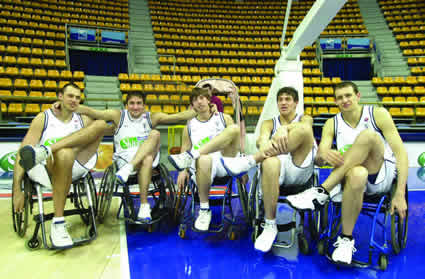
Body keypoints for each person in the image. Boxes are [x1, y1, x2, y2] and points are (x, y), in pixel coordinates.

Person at [285, 81, 408, 265]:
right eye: (340, 97)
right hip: (351, 179)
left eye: (348, 95)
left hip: (379, 176)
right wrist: (324, 154)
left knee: (369, 137)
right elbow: (319, 158)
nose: (345, 100)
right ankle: (346, 240)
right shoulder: (331, 123)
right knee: (358, 173)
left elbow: (401, 153)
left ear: (357, 96)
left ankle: (321, 191)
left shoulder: (378, 114)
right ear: (335, 101)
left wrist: (399, 192)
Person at [69, 90, 199, 222]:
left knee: (155, 134)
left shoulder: (152, 117)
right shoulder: (118, 116)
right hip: (125, 159)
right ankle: (144, 205)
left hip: (137, 163)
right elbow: (95, 113)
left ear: (144, 106)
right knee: (147, 159)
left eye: (139, 103)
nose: (135, 107)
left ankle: (131, 172)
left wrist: (200, 108)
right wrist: (72, 106)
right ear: (126, 105)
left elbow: (178, 117)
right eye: (132, 103)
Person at [13, 82, 112, 248]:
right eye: (70, 96)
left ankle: (47, 149)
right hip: (48, 170)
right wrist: (17, 189)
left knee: (100, 125)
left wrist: (85, 110)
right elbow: (23, 154)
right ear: (60, 96)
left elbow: (112, 124)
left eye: (78, 98)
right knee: (65, 154)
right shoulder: (43, 118)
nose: (74, 100)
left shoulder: (83, 119)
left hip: (74, 167)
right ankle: (58, 222)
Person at [220, 86, 317, 252]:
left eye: (288, 99)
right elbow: (263, 139)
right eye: (280, 99)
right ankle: (270, 224)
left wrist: (285, 129)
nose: (283, 102)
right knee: (270, 162)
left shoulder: (305, 118)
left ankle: (250, 161)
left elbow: (306, 127)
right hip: (276, 169)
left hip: (299, 168)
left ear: (296, 103)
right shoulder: (269, 122)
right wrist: (265, 143)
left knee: (304, 130)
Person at [168, 87, 241, 231]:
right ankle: (204, 209)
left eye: (202, 98)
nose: (199, 102)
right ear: (192, 105)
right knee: (204, 159)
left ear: (209, 100)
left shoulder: (223, 118)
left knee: (234, 129)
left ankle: (194, 155)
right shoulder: (189, 126)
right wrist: (183, 171)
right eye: (195, 100)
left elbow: (234, 142)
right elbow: (184, 149)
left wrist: (242, 170)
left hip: (224, 162)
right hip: (201, 166)